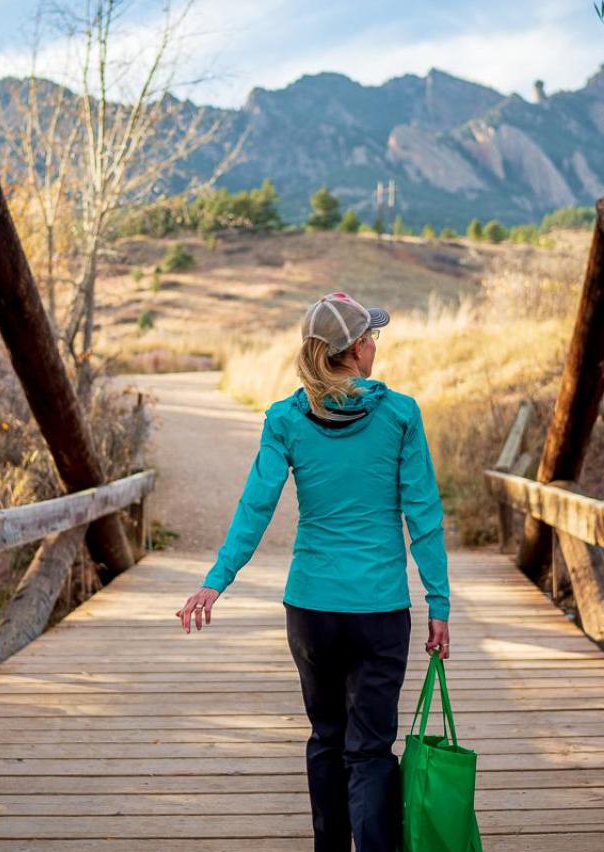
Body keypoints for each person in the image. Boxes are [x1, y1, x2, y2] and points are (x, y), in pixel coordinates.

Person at [174, 290, 452, 852]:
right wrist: (439, 604)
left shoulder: (285, 418)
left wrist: (217, 579)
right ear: (355, 350)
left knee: (327, 738)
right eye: (371, 337)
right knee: (370, 750)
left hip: (312, 612)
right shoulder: (401, 414)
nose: (376, 345)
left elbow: (257, 505)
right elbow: (422, 515)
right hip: (379, 611)